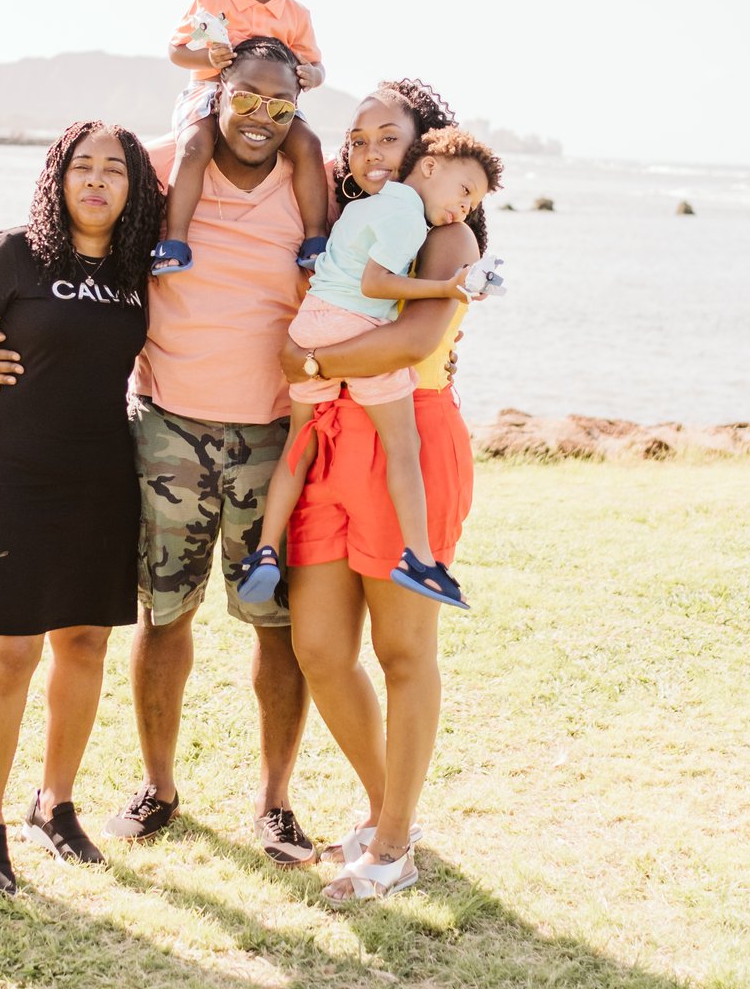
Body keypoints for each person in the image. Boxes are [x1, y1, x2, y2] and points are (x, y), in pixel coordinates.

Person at [0, 37, 324, 867]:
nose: (261, 117)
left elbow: (406, 219)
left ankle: (274, 803)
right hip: (166, 430)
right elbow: (69, 215)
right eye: (246, 98)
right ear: (217, 93)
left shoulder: (316, 183)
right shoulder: (165, 164)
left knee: (276, 627)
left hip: (274, 439)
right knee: (164, 617)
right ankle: (158, 787)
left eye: (280, 104)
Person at [278, 79, 504, 903]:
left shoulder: (450, 239)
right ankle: (386, 813)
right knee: (320, 649)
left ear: (427, 151)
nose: (373, 152)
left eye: (391, 139)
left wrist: (307, 361)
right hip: (333, 438)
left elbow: (411, 340)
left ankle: (394, 843)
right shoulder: (362, 223)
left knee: (404, 653)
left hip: (410, 439)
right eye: (360, 139)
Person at [0, 119, 166, 895]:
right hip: (13, 472)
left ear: (135, 188)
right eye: (82, 166)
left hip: (103, 474)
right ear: (58, 178)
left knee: (86, 643)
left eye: (115, 170)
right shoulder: (14, 253)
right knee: (9, 653)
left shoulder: (139, 266)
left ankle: (54, 804)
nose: (96, 180)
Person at [233, 131, 496, 611]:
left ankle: (266, 550)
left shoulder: (362, 205)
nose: (464, 208)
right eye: (464, 191)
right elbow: (376, 285)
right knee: (403, 446)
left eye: (473, 203)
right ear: (430, 166)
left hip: (311, 323)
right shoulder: (409, 218)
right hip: (354, 327)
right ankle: (419, 559)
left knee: (299, 445)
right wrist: (446, 288)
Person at [154, 0, 330, 276]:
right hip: (209, 92)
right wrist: (208, 60)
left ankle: (316, 239)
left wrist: (313, 76)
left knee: (309, 145)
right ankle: (175, 240)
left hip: (271, 103)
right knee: (194, 145)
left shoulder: (295, 15)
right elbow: (176, 50)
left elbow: (315, 63)